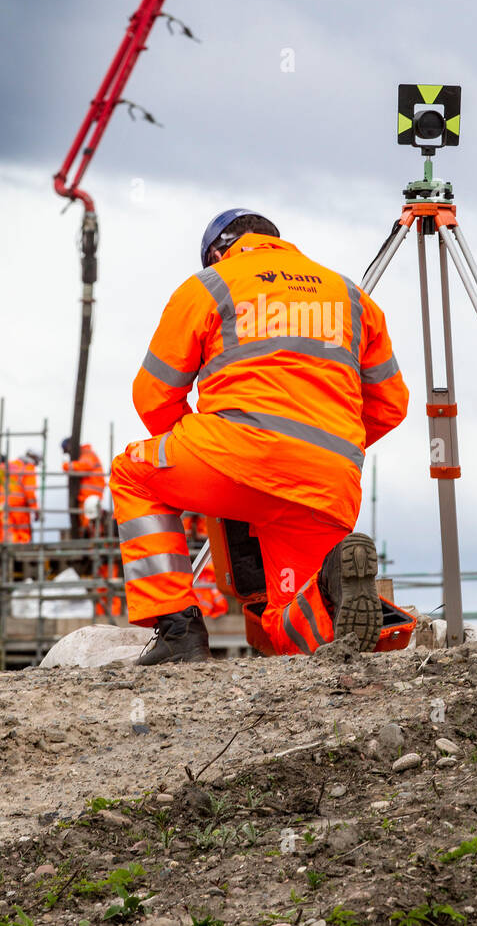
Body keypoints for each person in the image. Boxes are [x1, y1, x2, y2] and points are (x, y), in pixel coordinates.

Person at [110, 209, 409, 665]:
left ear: (217, 252)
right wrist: (315, 453)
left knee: (132, 474)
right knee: (284, 616)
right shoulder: (351, 296)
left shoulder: (210, 286)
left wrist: (203, 450)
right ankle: (331, 584)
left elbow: (152, 395)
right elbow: (391, 405)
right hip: (327, 482)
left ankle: (178, 631)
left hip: (235, 455)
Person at [61, 439, 106, 537]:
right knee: (87, 524)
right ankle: (91, 546)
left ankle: (95, 546)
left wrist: (67, 466)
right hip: (86, 495)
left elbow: (85, 465)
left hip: (90, 495)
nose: (69, 454)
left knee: (90, 522)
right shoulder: (83, 454)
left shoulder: (86, 453)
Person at [6, 449, 41, 544]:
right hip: (19, 505)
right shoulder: (29, 468)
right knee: (22, 532)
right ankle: (21, 552)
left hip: (4, 503)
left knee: (9, 530)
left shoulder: (12, 464)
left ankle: (10, 549)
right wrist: (35, 510)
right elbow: (29, 491)